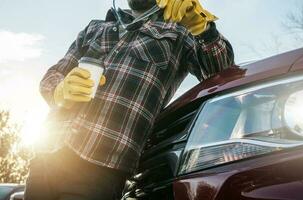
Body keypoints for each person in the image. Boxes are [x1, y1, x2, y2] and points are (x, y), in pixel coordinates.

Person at [24, 0, 234, 199]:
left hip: (101, 168)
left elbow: (222, 71)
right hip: (46, 157)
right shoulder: (96, 27)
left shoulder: (179, 31)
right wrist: (60, 90)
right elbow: (52, 75)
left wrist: (202, 28)